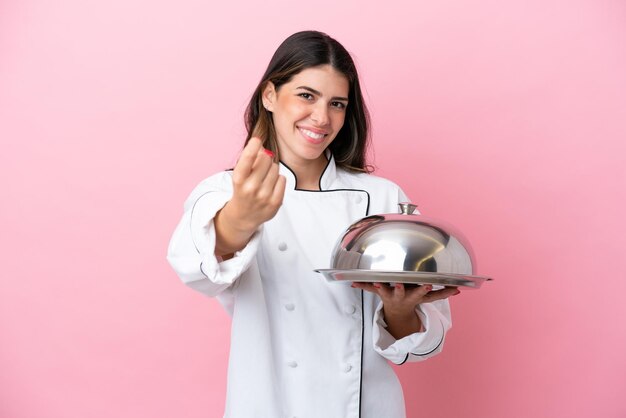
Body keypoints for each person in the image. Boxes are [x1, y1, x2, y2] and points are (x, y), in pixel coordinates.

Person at [167, 30, 459, 418]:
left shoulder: (384, 198)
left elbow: (422, 345)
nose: (321, 118)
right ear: (269, 95)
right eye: (306, 95)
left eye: (336, 103)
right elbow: (194, 267)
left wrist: (400, 313)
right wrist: (239, 219)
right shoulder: (228, 190)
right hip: (270, 404)